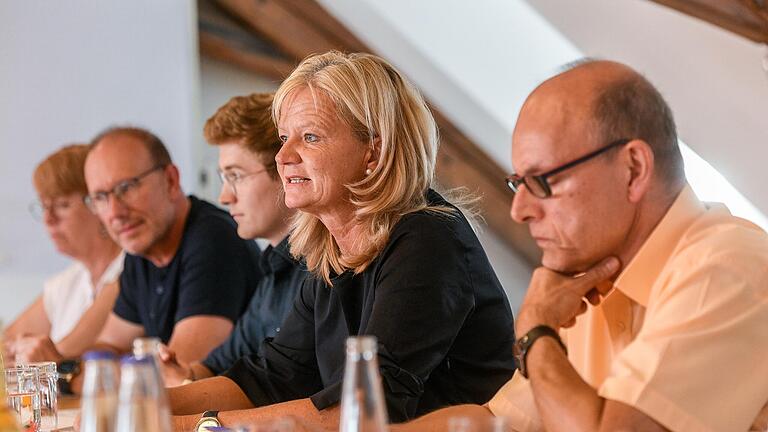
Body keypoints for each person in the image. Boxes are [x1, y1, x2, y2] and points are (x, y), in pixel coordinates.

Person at [388, 60, 768, 432]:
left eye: (542, 181)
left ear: (633, 169)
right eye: (519, 183)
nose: (519, 210)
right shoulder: (589, 277)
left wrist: (536, 334)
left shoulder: (727, 266)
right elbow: (500, 423)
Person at [168, 51, 516, 431]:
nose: (283, 156)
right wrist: (140, 402)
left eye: (310, 137)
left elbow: (365, 410)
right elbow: (271, 377)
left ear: (374, 151)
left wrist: (189, 426)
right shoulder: (331, 247)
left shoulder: (427, 240)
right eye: (284, 138)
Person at [80, 127, 260, 367]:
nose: (115, 213)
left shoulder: (213, 239)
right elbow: (104, 350)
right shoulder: (141, 251)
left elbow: (177, 373)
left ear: (171, 180)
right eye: (101, 197)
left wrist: (101, 373)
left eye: (127, 187)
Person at [159, 93, 305, 386]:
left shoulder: (322, 269)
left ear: (285, 170)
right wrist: (183, 374)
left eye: (236, 176)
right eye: (224, 179)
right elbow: (218, 366)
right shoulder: (276, 267)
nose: (225, 197)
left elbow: (286, 391)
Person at [4, 144, 124, 363]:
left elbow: (62, 354)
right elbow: (5, 345)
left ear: (98, 203)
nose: (48, 219)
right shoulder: (65, 283)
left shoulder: (131, 269)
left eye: (61, 205)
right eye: (43, 206)